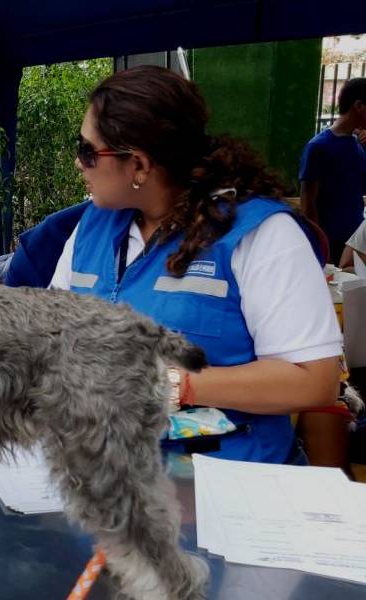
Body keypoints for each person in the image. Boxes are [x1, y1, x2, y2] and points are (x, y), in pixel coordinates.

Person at [49, 65, 342, 464]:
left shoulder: (259, 234)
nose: (78, 163)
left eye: (87, 151)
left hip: (229, 484)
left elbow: (314, 381)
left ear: (138, 165)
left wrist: (175, 383)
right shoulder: (92, 226)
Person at [299, 77, 366, 266]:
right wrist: (319, 245)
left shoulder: (358, 145)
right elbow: (307, 202)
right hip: (330, 242)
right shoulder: (318, 147)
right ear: (359, 106)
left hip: (355, 242)